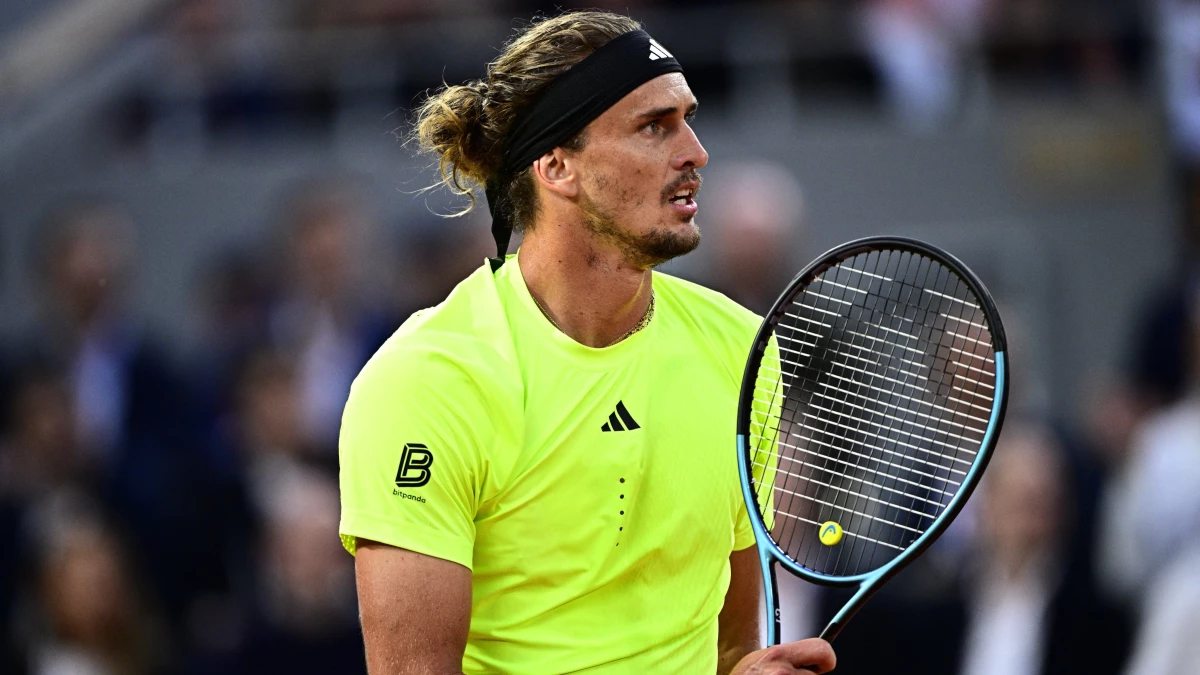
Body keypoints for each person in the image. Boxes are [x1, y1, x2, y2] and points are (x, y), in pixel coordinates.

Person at [337, 10, 836, 675]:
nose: (694, 151)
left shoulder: (743, 349)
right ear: (557, 166)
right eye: (653, 126)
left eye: (687, 118)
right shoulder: (429, 380)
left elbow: (730, 645)